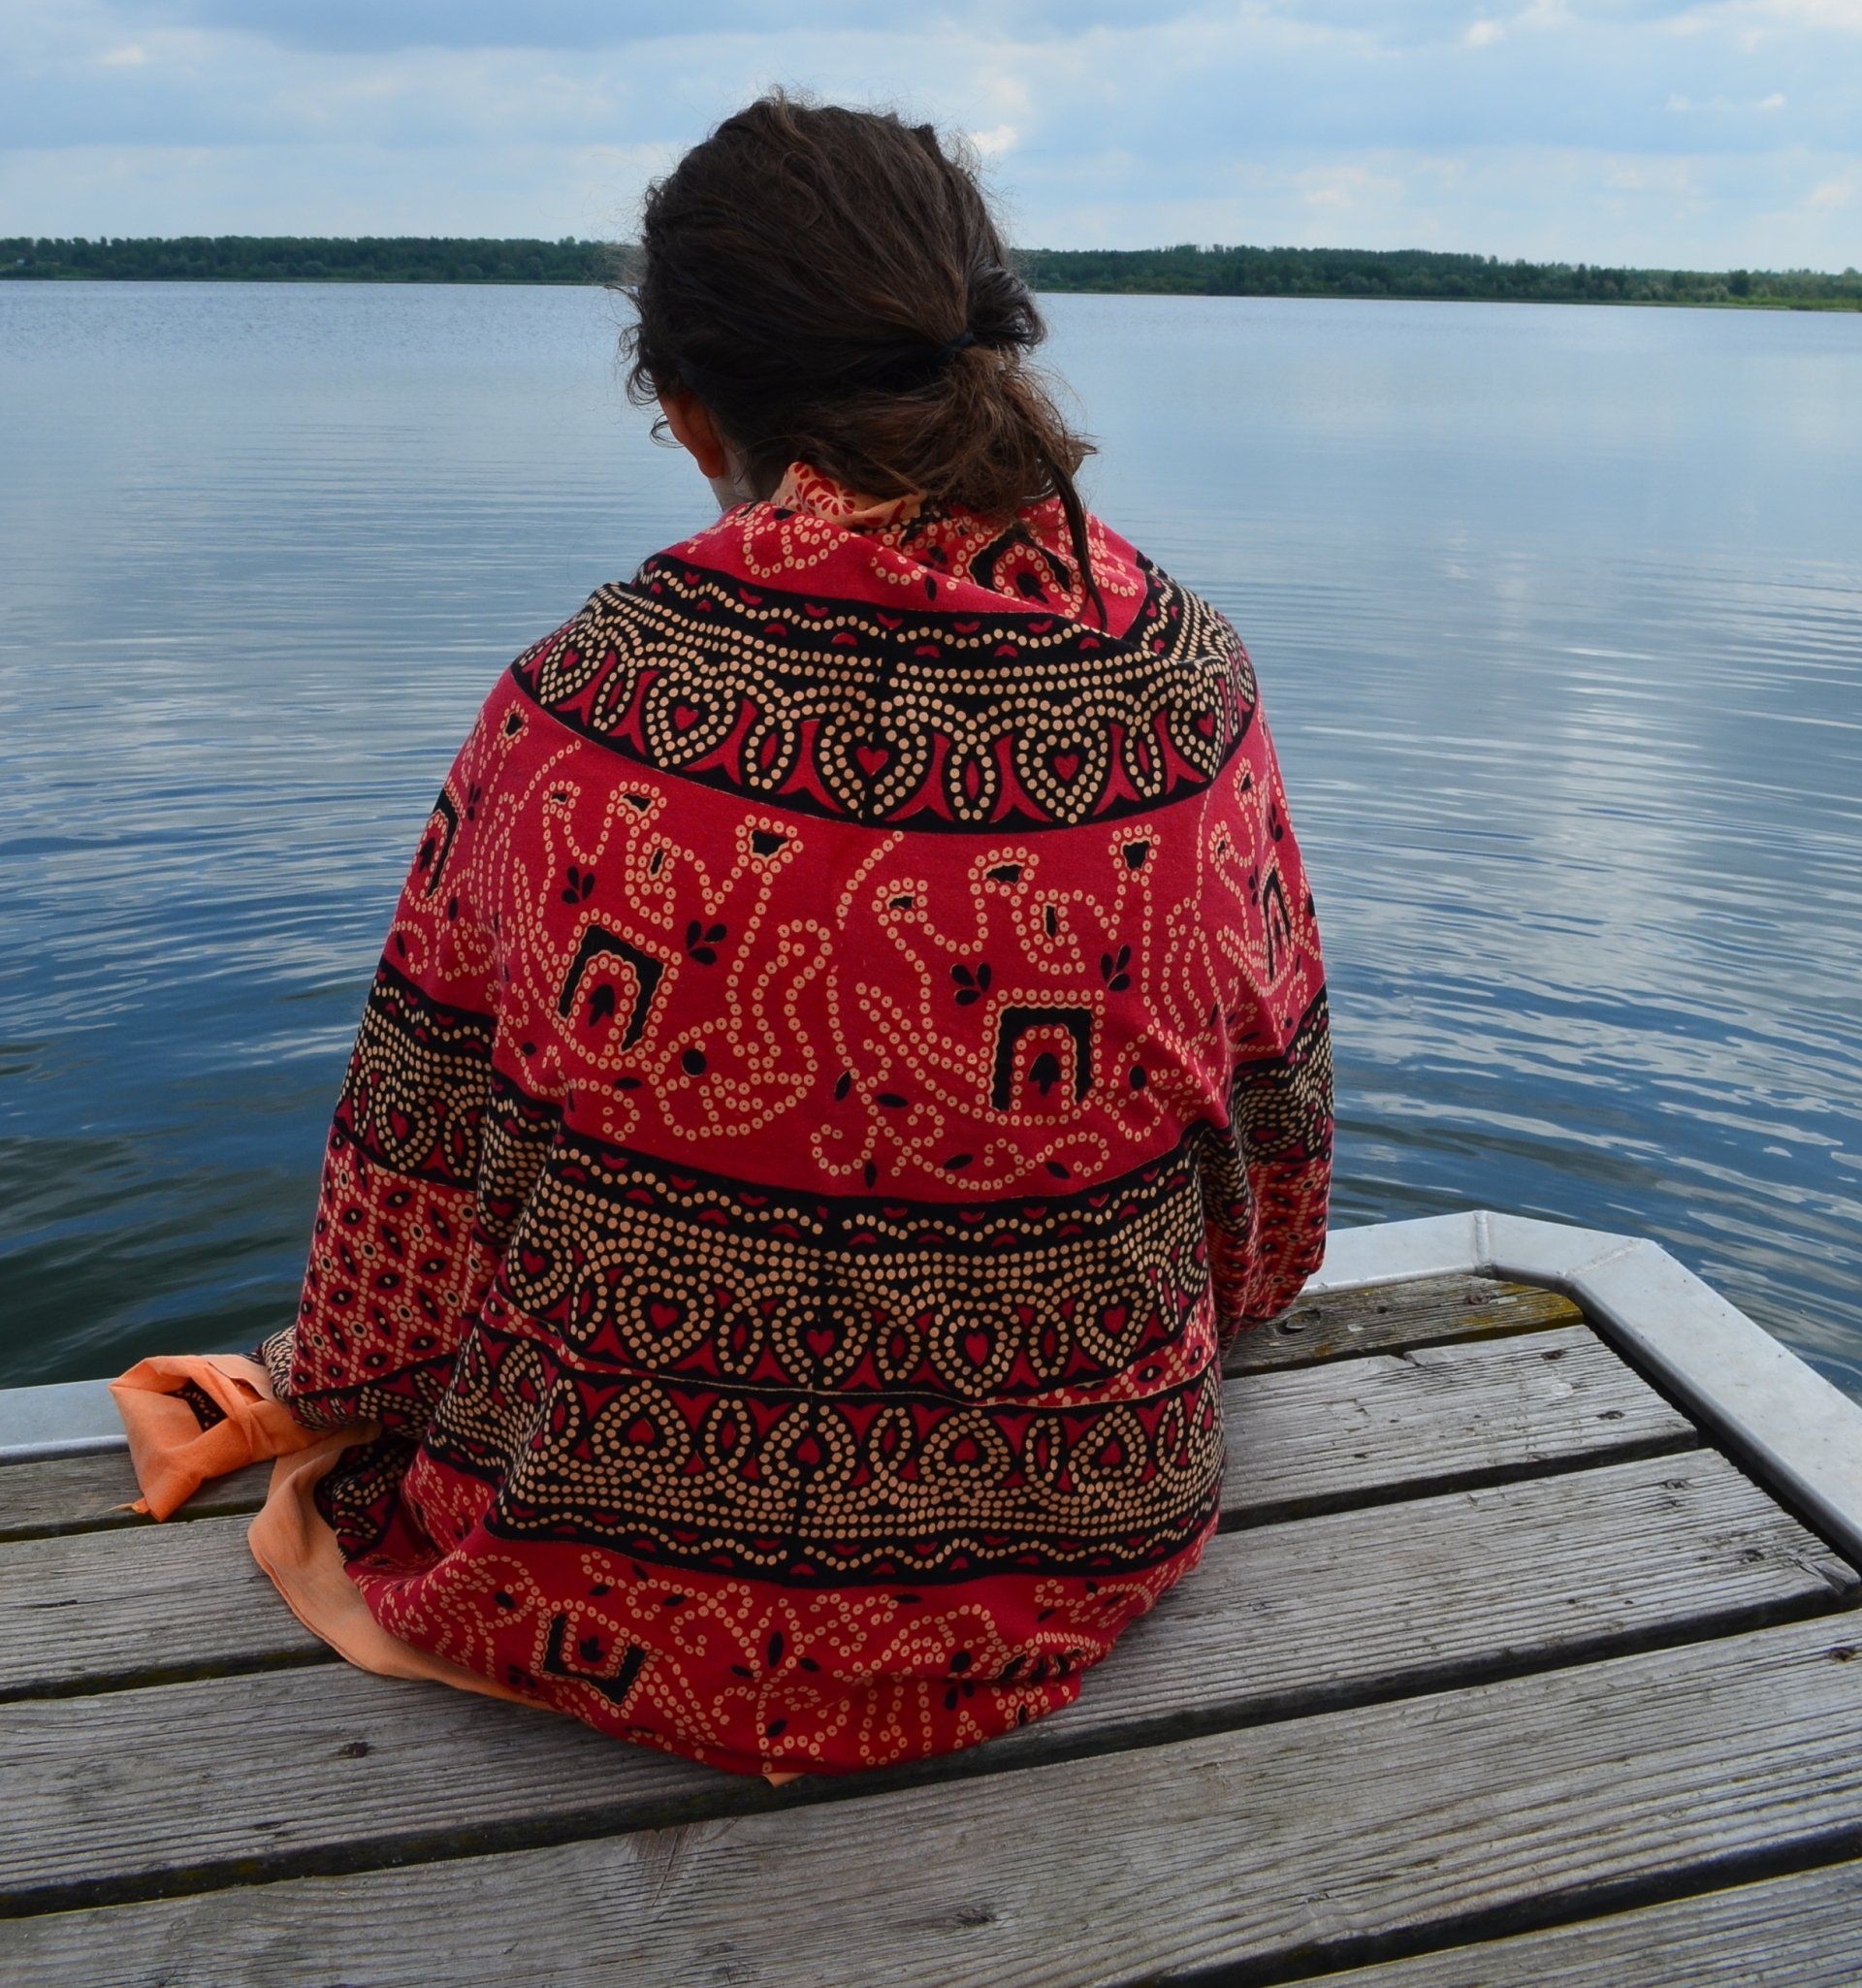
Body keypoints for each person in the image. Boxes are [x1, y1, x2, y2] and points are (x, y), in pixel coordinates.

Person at [112, 94, 1332, 1778]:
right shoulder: (1187, 686)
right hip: (1073, 1558)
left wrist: (319, 1384)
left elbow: (412, 1182)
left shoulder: (576, 710)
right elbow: (1273, 1175)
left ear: (689, 415)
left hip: (582, 1589)